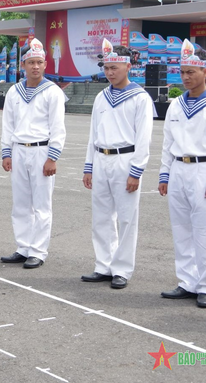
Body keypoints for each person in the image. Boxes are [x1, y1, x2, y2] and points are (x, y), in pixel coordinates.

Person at [158, 40, 206, 308]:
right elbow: (167, 143)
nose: (186, 77)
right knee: (181, 229)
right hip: (179, 168)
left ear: (205, 71)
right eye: (183, 72)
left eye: (192, 71)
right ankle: (187, 281)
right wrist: (164, 174)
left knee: (204, 231)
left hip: (205, 170)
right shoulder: (177, 104)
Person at [80, 39, 153, 287]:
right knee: (101, 216)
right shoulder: (101, 97)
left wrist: (136, 171)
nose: (110, 72)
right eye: (107, 67)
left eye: (115, 67)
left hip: (125, 159)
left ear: (128, 66)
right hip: (101, 158)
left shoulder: (140, 98)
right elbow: (93, 133)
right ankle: (104, 264)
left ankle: (122, 269)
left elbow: (143, 138)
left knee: (126, 217)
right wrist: (89, 166)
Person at [0, 38, 66, 269]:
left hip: (41, 151)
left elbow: (58, 127)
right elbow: (8, 124)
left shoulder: (53, 92)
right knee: (20, 203)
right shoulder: (14, 92)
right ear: (23, 65)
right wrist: (6, 153)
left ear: (45, 64)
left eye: (39, 62)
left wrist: (52, 157)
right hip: (19, 150)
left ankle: (37, 250)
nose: (35, 67)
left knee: (41, 204)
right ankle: (23, 246)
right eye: (30, 62)